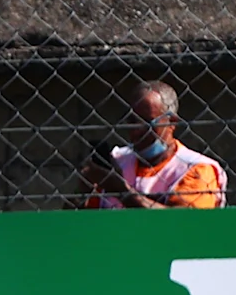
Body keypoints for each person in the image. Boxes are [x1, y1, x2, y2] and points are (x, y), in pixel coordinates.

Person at [82, 79, 226, 208]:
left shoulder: (196, 169)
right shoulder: (117, 163)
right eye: (132, 121)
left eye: (147, 122)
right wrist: (82, 189)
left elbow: (182, 226)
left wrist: (123, 193)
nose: (136, 130)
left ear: (172, 122)